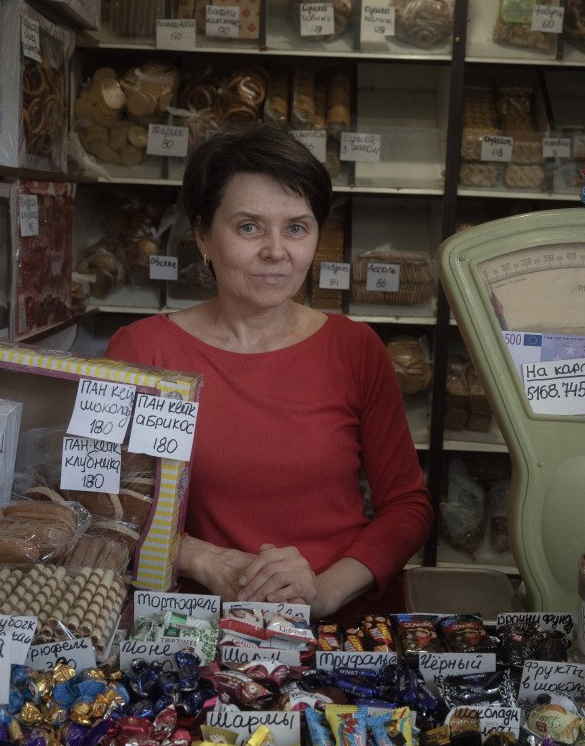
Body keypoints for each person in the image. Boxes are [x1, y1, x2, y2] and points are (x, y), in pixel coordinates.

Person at [105, 122, 433, 623]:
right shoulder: (144, 349)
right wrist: (202, 558)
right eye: (249, 227)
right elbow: (98, 497)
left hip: (335, 624)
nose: (276, 251)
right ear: (202, 237)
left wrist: (324, 591)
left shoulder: (355, 349)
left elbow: (407, 507)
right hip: (194, 626)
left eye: (296, 228)